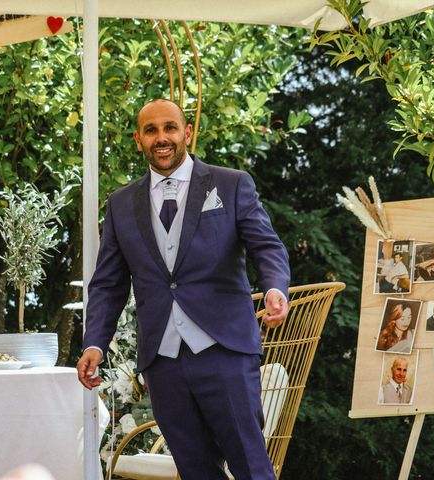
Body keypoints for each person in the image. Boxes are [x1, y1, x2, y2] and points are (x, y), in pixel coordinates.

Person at [77, 99, 290, 479]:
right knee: (195, 471)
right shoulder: (121, 204)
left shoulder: (231, 184)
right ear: (138, 140)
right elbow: (108, 284)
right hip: (163, 361)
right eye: (151, 130)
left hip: (224, 350)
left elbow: (267, 246)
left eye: (170, 128)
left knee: (250, 465)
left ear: (187, 133)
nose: (162, 138)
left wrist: (275, 288)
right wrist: (94, 342)